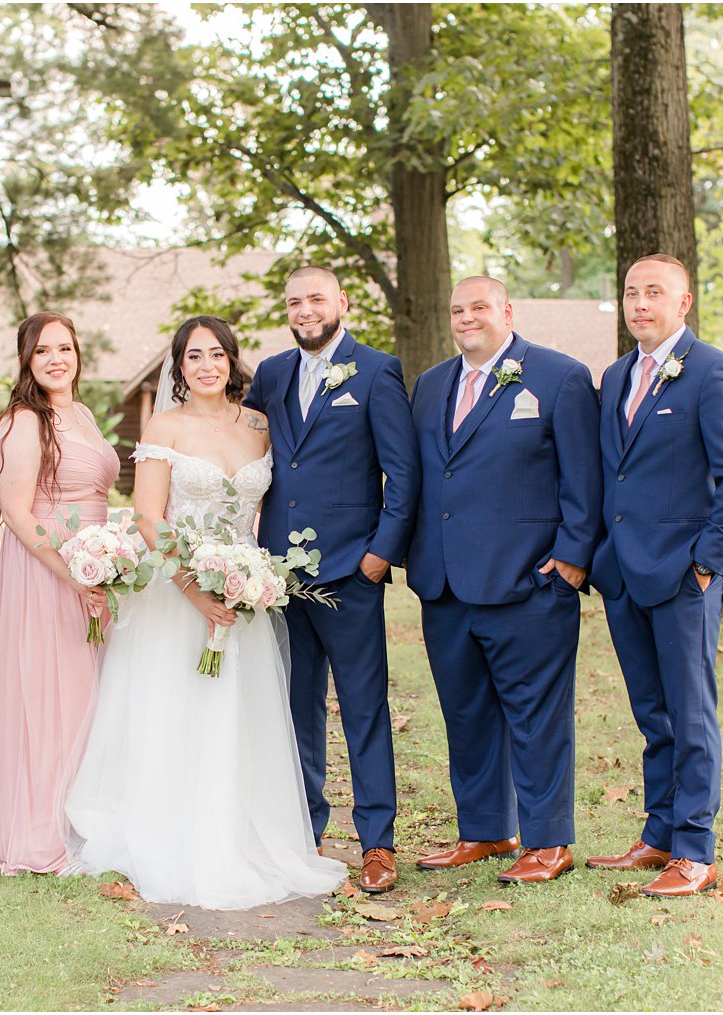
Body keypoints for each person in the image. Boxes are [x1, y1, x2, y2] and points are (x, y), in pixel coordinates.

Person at [64, 315, 346, 909]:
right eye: (194, 357)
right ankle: (173, 831)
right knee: (177, 714)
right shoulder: (164, 426)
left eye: (217, 354)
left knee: (243, 716)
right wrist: (196, 589)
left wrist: (248, 582)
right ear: (179, 366)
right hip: (176, 594)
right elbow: (148, 517)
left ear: (232, 360)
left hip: (244, 596)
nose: (207, 366)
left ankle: (242, 833)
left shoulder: (262, 427)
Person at [406, 276, 601, 884]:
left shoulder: (558, 376)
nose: (467, 318)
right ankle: (486, 830)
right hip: (443, 583)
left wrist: (571, 558)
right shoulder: (432, 384)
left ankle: (547, 841)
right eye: (458, 309)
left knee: (536, 715)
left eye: (480, 308)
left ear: (507, 312)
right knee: (465, 714)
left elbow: (584, 477)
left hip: (529, 581)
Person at [588, 254, 723, 898]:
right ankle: (658, 832)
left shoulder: (714, 372)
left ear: (683, 302)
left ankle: (695, 849)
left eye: (654, 292)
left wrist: (704, 564)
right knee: (652, 713)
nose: (640, 303)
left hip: (683, 575)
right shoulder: (615, 376)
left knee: (691, 715)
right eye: (631, 292)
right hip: (624, 576)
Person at [242, 267, 418, 894]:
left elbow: (403, 471)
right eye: (294, 301)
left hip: (350, 571)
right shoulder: (270, 375)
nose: (305, 309)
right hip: (278, 578)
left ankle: (377, 844)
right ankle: (304, 832)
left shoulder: (376, 371)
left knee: (364, 708)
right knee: (294, 708)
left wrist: (379, 555)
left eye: (316, 298)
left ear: (341, 302)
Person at [0, 312, 120, 875]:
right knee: (55, 692)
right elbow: (15, 510)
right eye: (43, 351)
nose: (57, 358)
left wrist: (108, 559)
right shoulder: (23, 420)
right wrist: (71, 572)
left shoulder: (80, 413)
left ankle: (84, 813)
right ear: (26, 361)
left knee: (93, 694)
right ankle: (42, 826)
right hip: (48, 569)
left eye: (65, 347)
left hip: (98, 566)